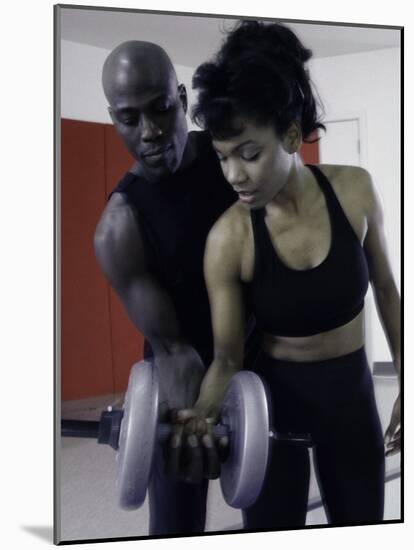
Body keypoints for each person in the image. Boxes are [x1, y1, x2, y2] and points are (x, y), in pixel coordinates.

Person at [176, 20, 401, 529]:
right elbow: (228, 357)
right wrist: (203, 414)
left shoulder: (356, 192)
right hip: (271, 409)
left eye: (249, 154)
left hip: (351, 396)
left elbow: (386, 290)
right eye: (222, 157)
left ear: (293, 135)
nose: (234, 174)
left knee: (362, 527)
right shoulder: (228, 239)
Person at [94, 41, 257, 535]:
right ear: (113, 118)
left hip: (263, 353)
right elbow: (174, 350)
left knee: (276, 514)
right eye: (129, 118)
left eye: (162, 108)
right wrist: (195, 423)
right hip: (180, 374)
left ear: (182, 98)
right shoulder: (119, 226)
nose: (150, 132)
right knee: (175, 525)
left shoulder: (232, 157)